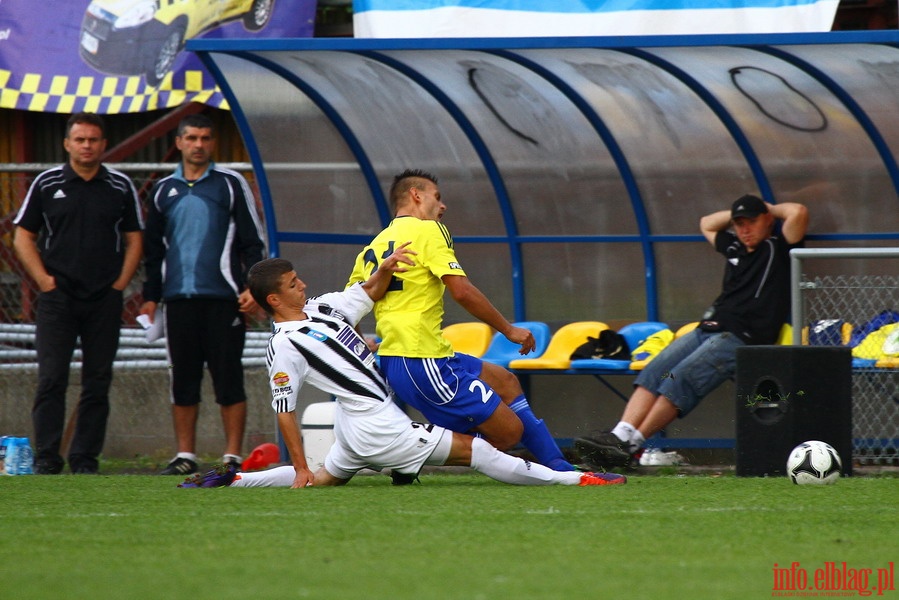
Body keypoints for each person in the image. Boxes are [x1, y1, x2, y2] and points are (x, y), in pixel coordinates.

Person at [178, 255, 625, 489]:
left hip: (358, 426)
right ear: (273, 300)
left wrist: (387, 269)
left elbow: (365, 293)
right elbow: (284, 411)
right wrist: (296, 467)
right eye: (293, 284)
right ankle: (574, 478)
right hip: (375, 425)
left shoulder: (323, 310)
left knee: (326, 478)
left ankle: (234, 479)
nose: (303, 285)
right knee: (479, 453)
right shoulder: (284, 345)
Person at [346, 169, 576, 473]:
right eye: (437, 197)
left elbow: (350, 306)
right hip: (421, 360)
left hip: (408, 357)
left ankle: (562, 468)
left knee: (505, 380)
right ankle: (408, 452)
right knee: (509, 432)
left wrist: (362, 344)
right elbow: (462, 291)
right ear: (416, 194)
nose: (443, 207)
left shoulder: (372, 247)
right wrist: (508, 329)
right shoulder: (429, 231)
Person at [575, 195, 809, 469]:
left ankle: (632, 446)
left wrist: (767, 208)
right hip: (708, 329)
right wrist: (740, 214)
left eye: (752, 222)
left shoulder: (779, 247)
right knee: (658, 370)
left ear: (768, 220)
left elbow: (798, 212)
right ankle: (618, 437)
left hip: (742, 336)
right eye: (739, 224)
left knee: (681, 377)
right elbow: (707, 223)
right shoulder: (735, 247)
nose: (744, 230)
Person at [13, 112, 144, 475]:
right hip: (58, 298)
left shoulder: (119, 185)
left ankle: (85, 458)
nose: (87, 146)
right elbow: (22, 236)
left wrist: (120, 284)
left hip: (104, 297)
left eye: (93, 140)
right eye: (80, 139)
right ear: (67, 143)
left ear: (103, 144)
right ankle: (47, 456)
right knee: (51, 377)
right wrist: (43, 281)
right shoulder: (46, 183)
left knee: (97, 381)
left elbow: (135, 238)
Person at [139, 113, 266, 476]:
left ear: (213, 143)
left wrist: (252, 288)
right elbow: (153, 250)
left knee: (228, 377)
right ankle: (185, 456)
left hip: (223, 299)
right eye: (191, 138)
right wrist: (151, 294)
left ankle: (231, 457)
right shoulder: (164, 190)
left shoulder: (230, 183)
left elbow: (252, 243)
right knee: (183, 378)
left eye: (205, 138)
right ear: (178, 142)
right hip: (177, 300)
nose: (198, 145)